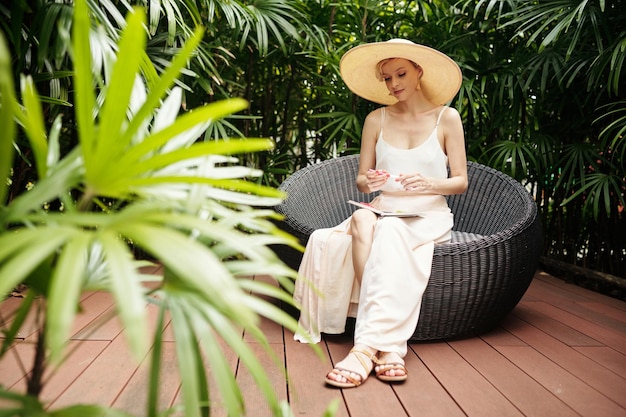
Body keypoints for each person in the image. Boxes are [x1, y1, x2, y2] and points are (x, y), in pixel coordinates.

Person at [292, 38, 468, 388]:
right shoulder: (376, 119)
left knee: (388, 231)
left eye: (401, 74)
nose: (394, 84)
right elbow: (361, 181)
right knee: (362, 218)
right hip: (383, 206)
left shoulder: (447, 118)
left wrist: (430, 183)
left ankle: (366, 348)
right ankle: (388, 350)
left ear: (419, 71)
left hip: (427, 214)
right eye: (387, 78)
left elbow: (460, 182)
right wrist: (369, 180)